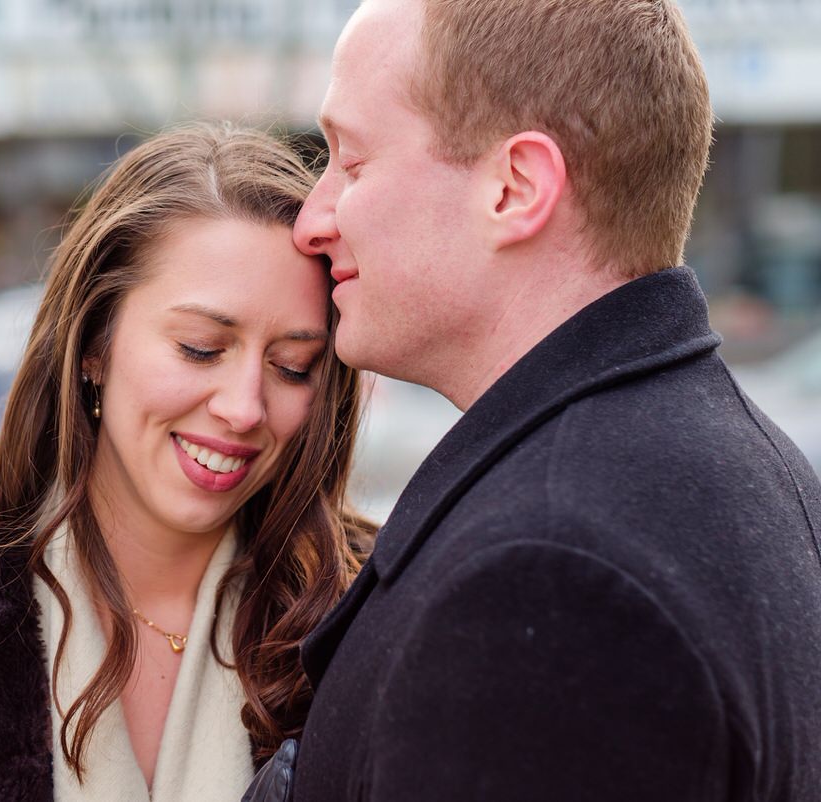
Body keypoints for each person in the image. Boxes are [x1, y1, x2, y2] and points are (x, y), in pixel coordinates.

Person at [247, 0, 821, 800]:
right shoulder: (739, 466)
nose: (313, 220)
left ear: (515, 188)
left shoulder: (546, 580)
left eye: (352, 162)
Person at [0, 122, 374, 802]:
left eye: (293, 367)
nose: (245, 407)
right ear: (93, 345)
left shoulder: (364, 615)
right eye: (201, 348)